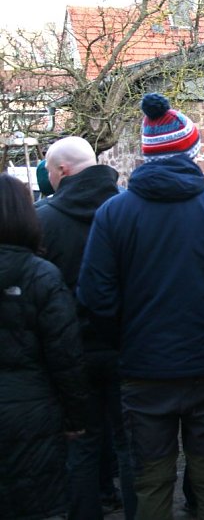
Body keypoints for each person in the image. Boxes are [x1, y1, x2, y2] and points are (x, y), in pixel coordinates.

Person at [77, 93, 204, 520]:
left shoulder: (113, 214)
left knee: (151, 481)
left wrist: (125, 343)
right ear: (192, 152)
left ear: (147, 155)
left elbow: (94, 297)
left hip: (144, 372)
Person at [35, 135, 135, 520]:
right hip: (125, 343)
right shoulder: (127, 210)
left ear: (60, 170)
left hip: (70, 349)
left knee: (81, 444)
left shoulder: (44, 219)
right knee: (130, 447)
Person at [0, 173, 89, 519]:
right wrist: (75, 415)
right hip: (34, 410)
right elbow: (65, 355)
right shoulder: (42, 275)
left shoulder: (42, 275)